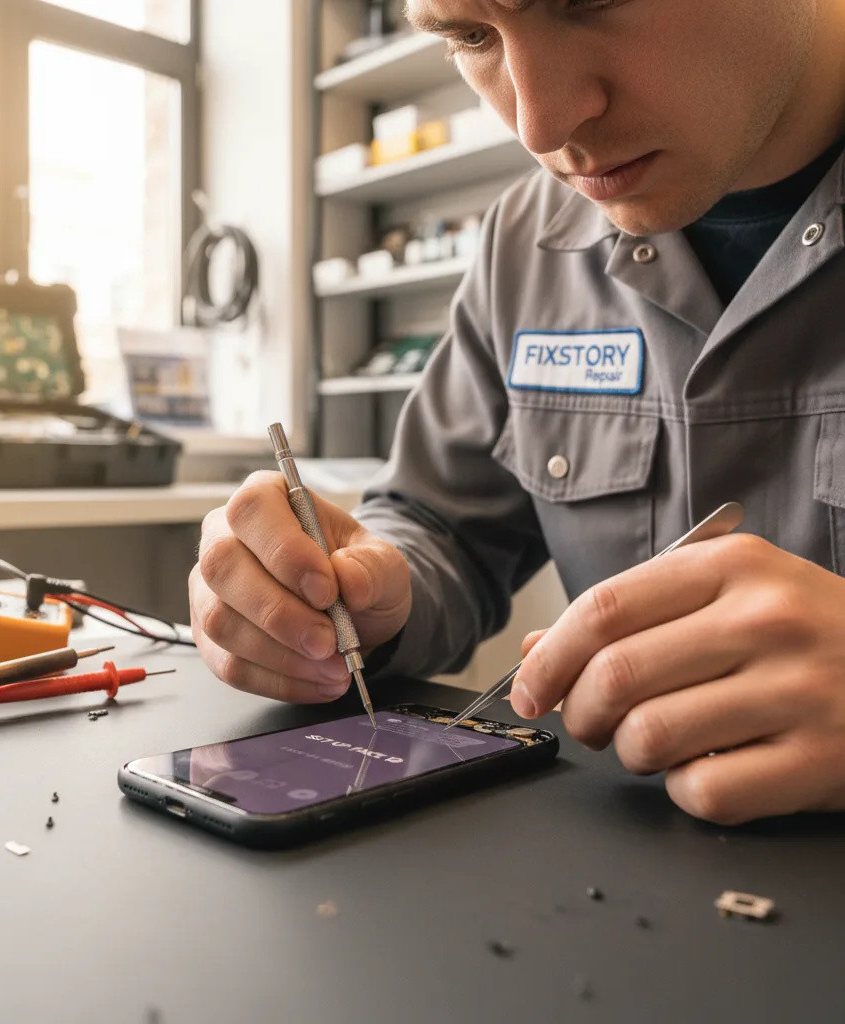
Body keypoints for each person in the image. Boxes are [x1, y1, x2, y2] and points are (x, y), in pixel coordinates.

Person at [189, 0, 845, 826]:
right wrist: (356, 595)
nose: (540, 123)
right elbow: (440, 525)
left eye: (590, 2)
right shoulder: (526, 239)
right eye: (470, 36)